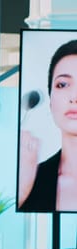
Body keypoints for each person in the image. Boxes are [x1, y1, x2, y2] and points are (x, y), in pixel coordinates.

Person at [19, 39, 77, 212]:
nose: (74, 97)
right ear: (51, 101)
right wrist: (23, 189)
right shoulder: (33, 179)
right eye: (62, 84)